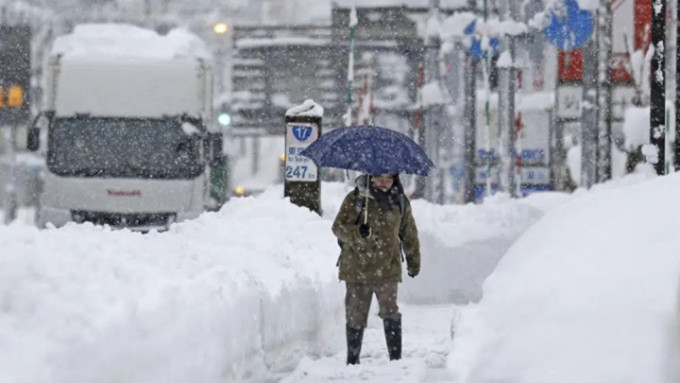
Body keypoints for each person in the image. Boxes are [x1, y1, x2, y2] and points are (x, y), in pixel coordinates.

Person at [332, 173, 421, 365]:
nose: (384, 183)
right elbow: (338, 227)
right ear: (371, 178)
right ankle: (352, 360)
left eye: (389, 179)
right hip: (357, 269)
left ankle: (395, 360)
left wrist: (414, 262)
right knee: (355, 316)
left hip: (387, 268)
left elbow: (409, 233)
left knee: (390, 312)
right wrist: (357, 232)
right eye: (379, 178)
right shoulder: (355, 199)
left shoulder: (400, 202)